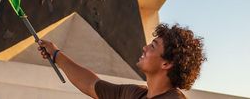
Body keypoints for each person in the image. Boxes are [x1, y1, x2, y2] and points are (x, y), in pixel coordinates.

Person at [37, 23, 206, 99]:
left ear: (166, 64)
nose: (144, 48)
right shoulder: (135, 94)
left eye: (152, 47)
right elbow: (91, 84)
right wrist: (56, 54)